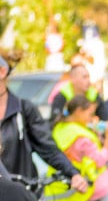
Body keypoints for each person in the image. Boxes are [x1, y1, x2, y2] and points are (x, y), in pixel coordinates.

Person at [0, 55, 87, 193]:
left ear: (3, 72)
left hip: (20, 194)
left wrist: (73, 173)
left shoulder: (24, 109)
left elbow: (47, 147)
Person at [49, 62, 107, 128]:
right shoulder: (61, 97)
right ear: (73, 79)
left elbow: (105, 120)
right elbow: (54, 122)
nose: (88, 80)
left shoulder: (94, 96)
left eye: (88, 77)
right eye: (84, 77)